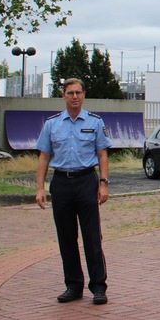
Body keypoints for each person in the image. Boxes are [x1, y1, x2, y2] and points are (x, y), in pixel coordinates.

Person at [35, 78, 112, 305]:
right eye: (70, 93)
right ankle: (73, 285)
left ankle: (98, 286)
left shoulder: (95, 122)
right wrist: (40, 187)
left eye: (78, 92)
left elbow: (102, 155)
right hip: (61, 183)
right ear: (63, 95)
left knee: (91, 237)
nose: (75, 97)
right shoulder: (52, 124)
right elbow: (44, 156)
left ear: (84, 95)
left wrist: (104, 183)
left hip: (86, 180)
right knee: (66, 237)